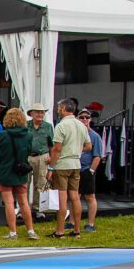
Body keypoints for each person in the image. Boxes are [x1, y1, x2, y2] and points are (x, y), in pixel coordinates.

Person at [47, 99, 91, 239]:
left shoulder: (61, 125)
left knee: (62, 199)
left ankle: (60, 231)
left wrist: (51, 167)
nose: (58, 110)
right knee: (75, 197)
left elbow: (57, 149)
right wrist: (76, 150)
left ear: (64, 108)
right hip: (76, 164)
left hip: (62, 165)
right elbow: (89, 146)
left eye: (59, 108)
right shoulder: (81, 125)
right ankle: (77, 231)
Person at [0, 108, 38, 240]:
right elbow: (29, 151)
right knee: (24, 202)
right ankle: (30, 230)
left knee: (9, 203)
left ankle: (13, 232)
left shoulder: (3, 135)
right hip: (20, 171)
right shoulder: (28, 135)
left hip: (4, 171)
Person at [26, 103, 54, 221]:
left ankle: (38, 209)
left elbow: (52, 144)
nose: (40, 114)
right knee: (25, 184)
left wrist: (52, 159)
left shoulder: (48, 126)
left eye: (42, 112)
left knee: (40, 184)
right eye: (37, 112)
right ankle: (25, 209)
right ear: (31, 114)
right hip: (27, 156)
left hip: (42, 156)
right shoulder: (25, 125)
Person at [75, 109, 103, 232]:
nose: (84, 120)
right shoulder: (75, 134)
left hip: (86, 169)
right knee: (74, 197)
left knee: (90, 197)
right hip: (74, 169)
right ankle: (72, 221)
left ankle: (90, 223)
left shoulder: (95, 136)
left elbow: (97, 156)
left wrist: (91, 170)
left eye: (87, 117)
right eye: (82, 117)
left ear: (90, 120)